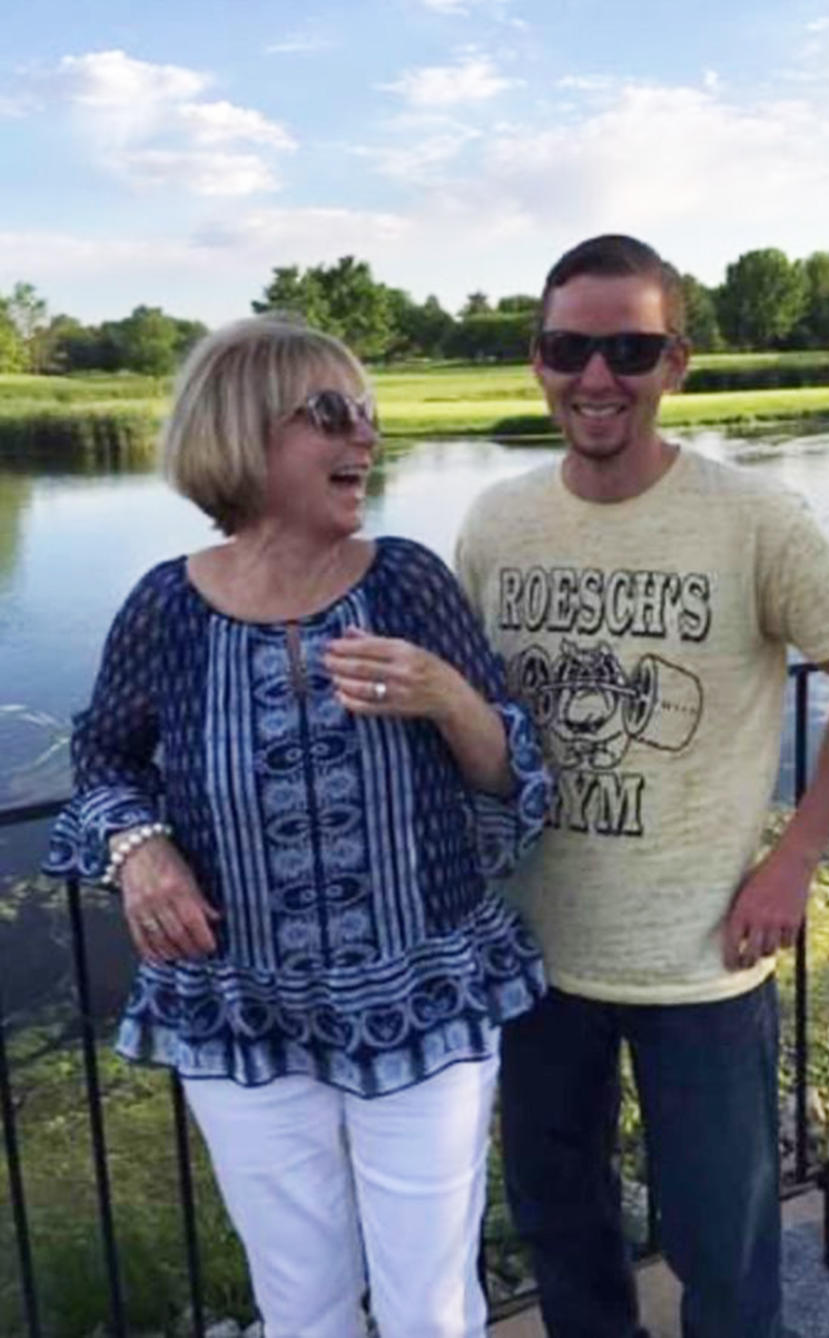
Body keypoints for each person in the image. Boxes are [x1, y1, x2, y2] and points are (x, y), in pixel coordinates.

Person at [45, 315, 552, 1338]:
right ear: (239, 432)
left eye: (366, 411)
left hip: (421, 996)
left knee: (431, 1308)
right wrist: (141, 851)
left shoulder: (407, 579)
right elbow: (101, 755)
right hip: (240, 1012)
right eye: (330, 413)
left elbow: (515, 786)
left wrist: (449, 696)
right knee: (301, 1304)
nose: (364, 435)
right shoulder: (165, 608)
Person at [455, 234, 829, 1338]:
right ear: (538, 361)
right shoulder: (494, 522)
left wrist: (794, 857)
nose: (597, 376)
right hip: (537, 959)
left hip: (704, 962)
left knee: (725, 1243)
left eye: (630, 347)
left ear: (677, 364)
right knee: (563, 1231)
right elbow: (469, 719)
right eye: (571, 347)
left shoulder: (754, 521)